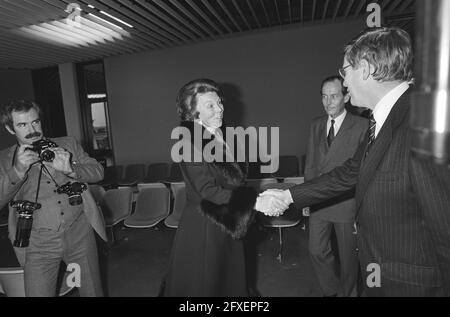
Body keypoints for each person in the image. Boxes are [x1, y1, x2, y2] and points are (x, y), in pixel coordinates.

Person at [260, 27, 450, 296]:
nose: (344, 81)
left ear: (365, 68)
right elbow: (350, 172)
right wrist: (290, 195)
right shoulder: (384, 119)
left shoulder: (425, 122)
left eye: (344, 71)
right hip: (382, 273)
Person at [162, 79, 287, 296]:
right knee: (207, 285)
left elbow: (233, 181)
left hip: (229, 218)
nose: (220, 108)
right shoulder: (187, 141)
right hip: (206, 225)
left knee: (230, 281)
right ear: (192, 111)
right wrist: (256, 201)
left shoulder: (221, 133)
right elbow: (207, 191)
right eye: (210, 105)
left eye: (219, 102)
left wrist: (259, 197)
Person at [0, 99, 107, 297]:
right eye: (22, 125)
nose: (32, 129)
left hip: (80, 235)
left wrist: (72, 169)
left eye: (35, 122)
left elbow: (98, 171)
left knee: (92, 292)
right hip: (38, 244)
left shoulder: (68, 144)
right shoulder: (4, 159)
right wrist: (17, 171)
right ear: (10, 128)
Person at [305, 75, 368, 297]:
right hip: (319, 202)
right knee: (316, 251)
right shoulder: (315, 125)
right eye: (324, 96)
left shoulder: (362, 126)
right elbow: (311, 163)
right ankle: (331, 291)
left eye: (333, 96)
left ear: (346, 97)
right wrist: (306, 197)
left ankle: (348, 293)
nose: (328, 102)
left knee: (349, 258)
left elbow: (362, 171)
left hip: (346, 202)